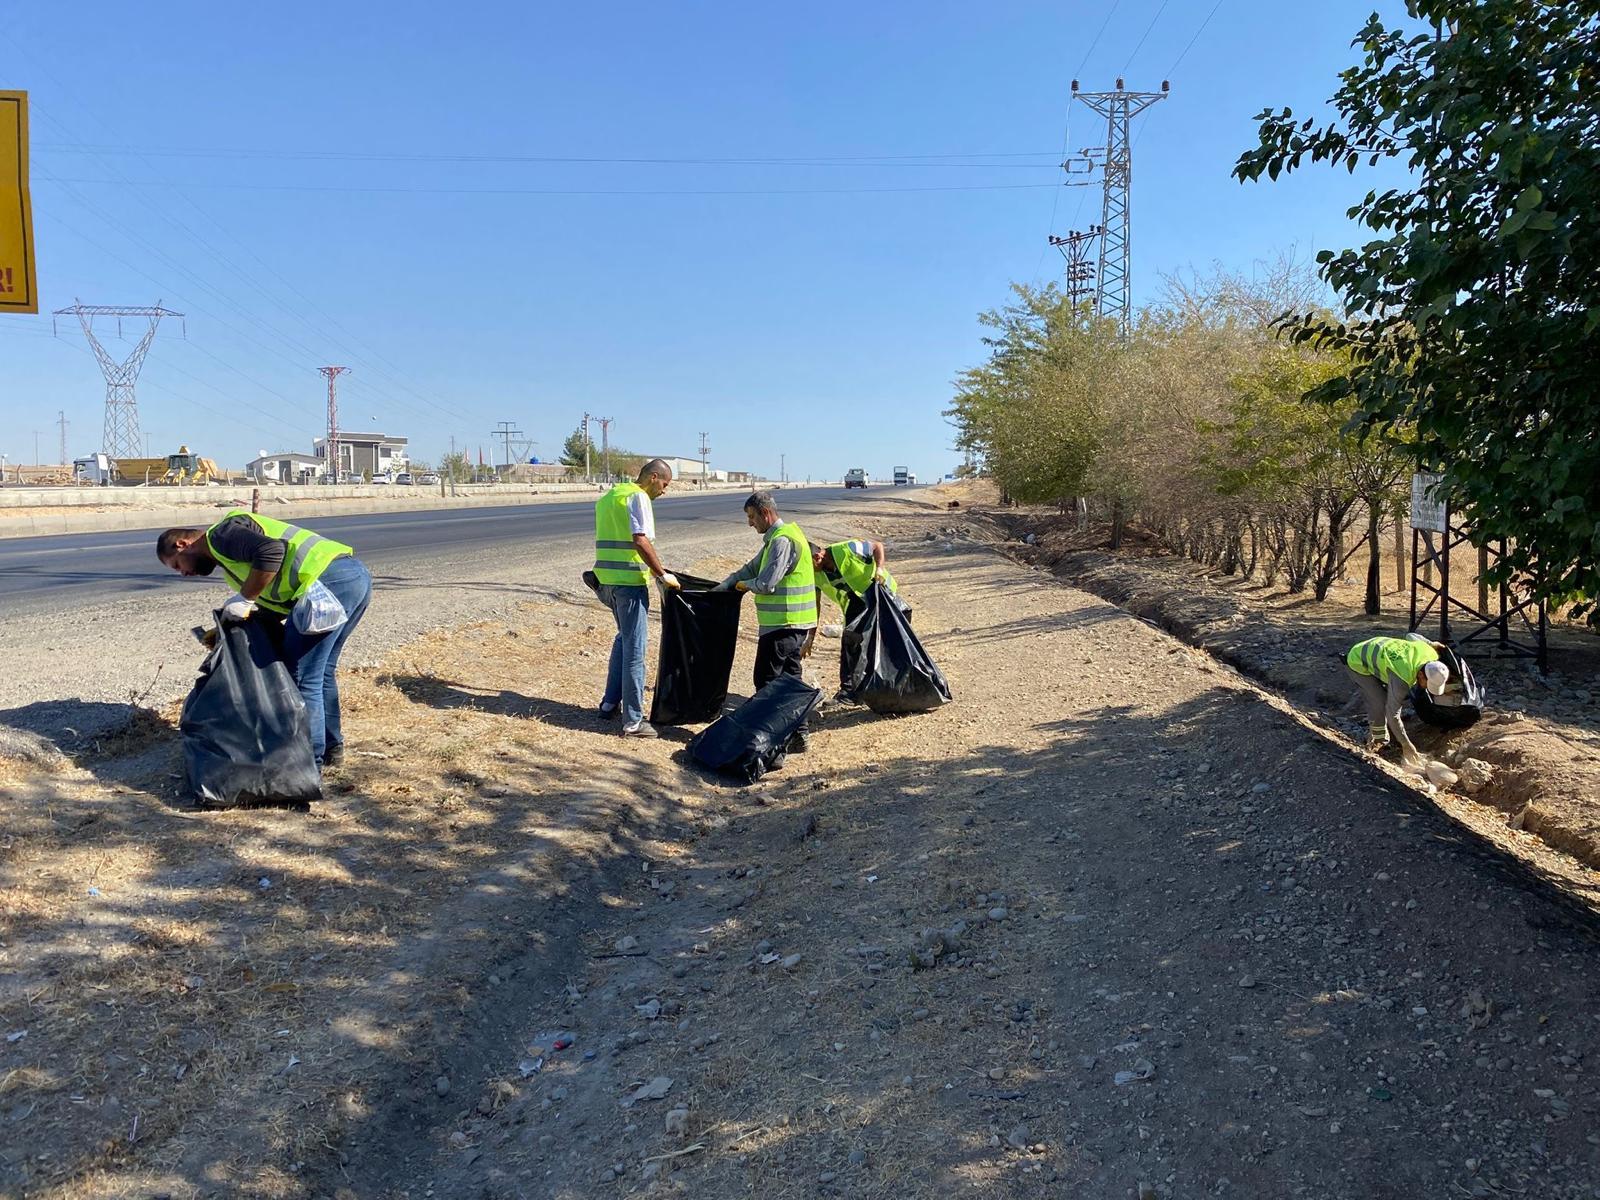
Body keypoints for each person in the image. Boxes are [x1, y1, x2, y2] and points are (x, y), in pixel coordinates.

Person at [157, 509, 372, 769]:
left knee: (302, 675)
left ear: (182, 544)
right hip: (350, 578)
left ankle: (309, 764)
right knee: (321, 671)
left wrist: (245, 599)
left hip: (327, 583)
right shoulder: (230, 562)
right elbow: (279, 604)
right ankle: (331, 751)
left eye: (178, 565)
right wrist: (233, 631)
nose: (183, 574)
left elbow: (271, 552)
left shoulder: (220, 536)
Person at [716, 491, 818, 751]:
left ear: (765, 513)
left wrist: (741, 586)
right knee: (791, 680)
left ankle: (775, 742)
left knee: (766, 681)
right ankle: (799, 734)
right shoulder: (779, 538)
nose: (750, 523)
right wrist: (725, 584)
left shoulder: (782, 541)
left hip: (783, 624)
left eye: (752, 517)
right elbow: (752, 567)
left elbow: (765, 583)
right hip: (794, 624)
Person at [593, 459, 679, 737]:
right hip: (629, 583)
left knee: (623, 638)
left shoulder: (611, 496)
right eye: (665, 484)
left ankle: (609, 704)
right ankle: (633, 721)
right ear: (654, 477)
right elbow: (640, 540)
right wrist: (661, 574)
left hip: (606, 581)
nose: (664, 491)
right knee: (635, 649)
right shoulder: (639, 497)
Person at [813, 538, 908, 700]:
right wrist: (810, 635)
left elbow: (877, 546)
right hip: (856, 603)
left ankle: (895, 684)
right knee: (851, 642)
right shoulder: (816, 575)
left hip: (880, 593)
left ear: (818, 557)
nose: (808, 570)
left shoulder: (845, 549)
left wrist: (879, 569)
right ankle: (850, 691)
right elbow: (815, 605)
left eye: (808, 565)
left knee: (887, 641)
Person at [1345, 634, 1450, 766]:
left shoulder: (1430, 653)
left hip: (1378, 645)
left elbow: (1410, 636)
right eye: (1427, 684)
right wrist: (1406, 745)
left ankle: (1385, 737)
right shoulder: (1402, 677)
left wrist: (1430, 642)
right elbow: (1392, 714)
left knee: (1388, 699)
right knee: (1379, 703)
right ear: (1421, 675)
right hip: (1358, 660)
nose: (1426, 688)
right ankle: (1377, 742)